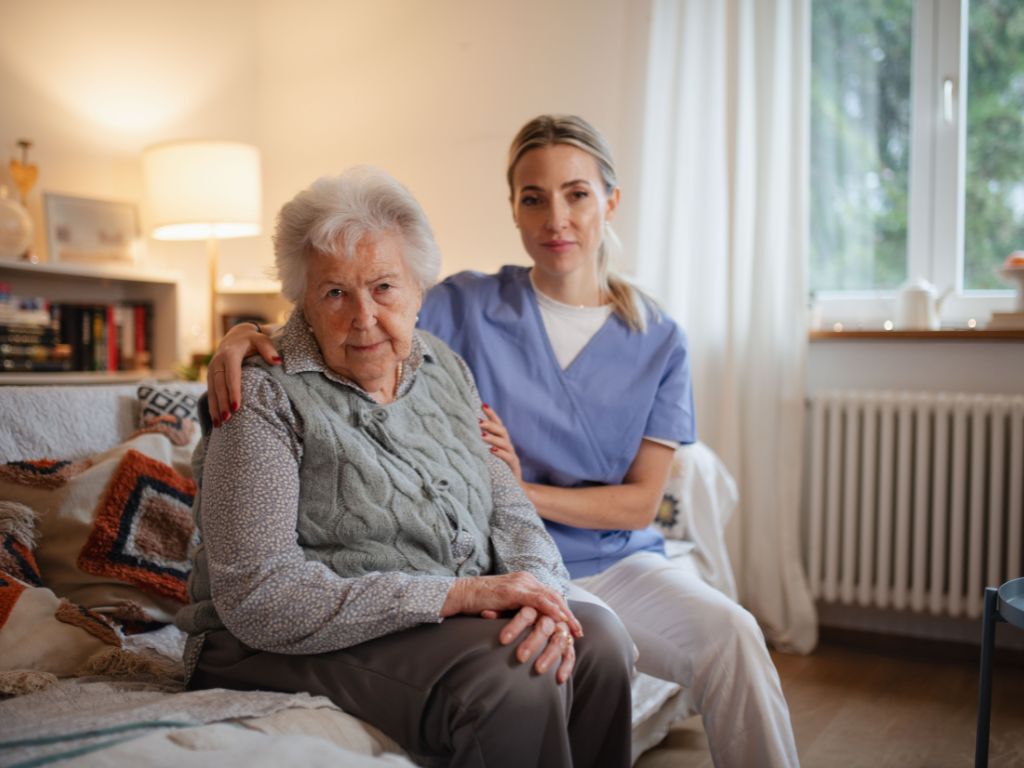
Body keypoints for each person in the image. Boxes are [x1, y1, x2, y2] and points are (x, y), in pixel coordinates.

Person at [208, 115, 799, 767]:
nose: (557, 219)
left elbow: (587, 504)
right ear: (514, 210)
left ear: (610, 201)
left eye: (576, 193)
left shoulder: (635, 339)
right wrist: (246, 335)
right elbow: (340, 304)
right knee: (538, 664)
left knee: (632, 638)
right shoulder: (465, 305)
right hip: (449, 581)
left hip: (586, 556)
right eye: (533, 197)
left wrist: (537, 578)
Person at [177, 166, 636, 768]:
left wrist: (543, 594)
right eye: (335, 292)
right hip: (263, 641)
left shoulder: (444, 366)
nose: (364, 316)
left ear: (420, 289)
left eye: (384, 287)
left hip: (425, 620)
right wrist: (457, 594)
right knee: (514, 678)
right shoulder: (261, 394)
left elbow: (508, 506)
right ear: (303, 303)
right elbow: (260, 596)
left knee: (596, 640)